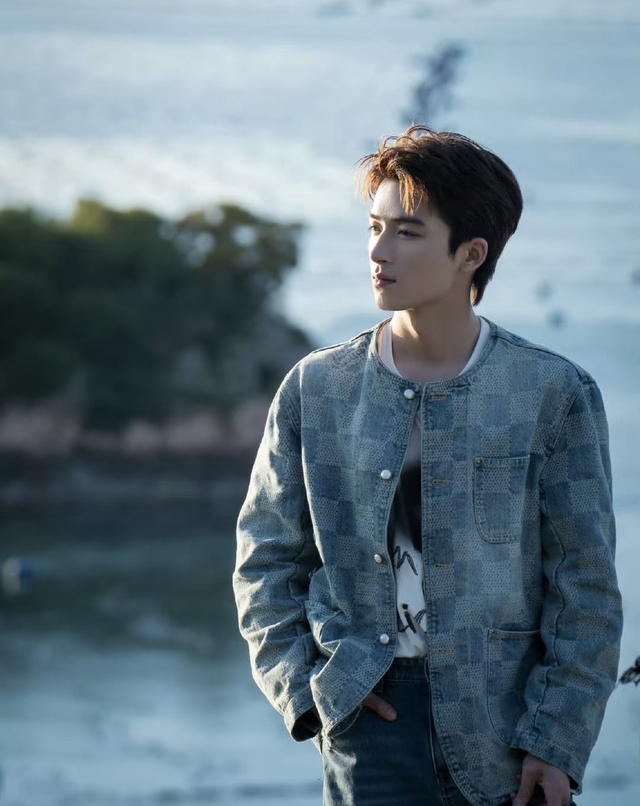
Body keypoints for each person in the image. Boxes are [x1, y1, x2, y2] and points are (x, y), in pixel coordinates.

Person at [232, 127, 622, 806]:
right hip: (368, 723)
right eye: (375, 227)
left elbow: (585, 586)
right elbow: (266, 560)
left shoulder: (552, 393)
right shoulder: (316, 388)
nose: (378, 251)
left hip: (508, 726)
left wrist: (556, 740)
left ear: (472, 254)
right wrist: (308, 692)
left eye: (407, 232)